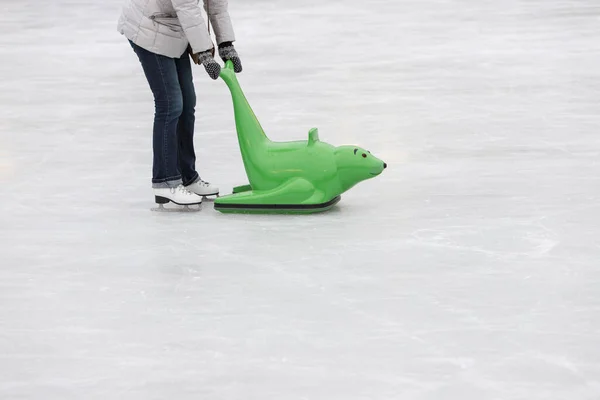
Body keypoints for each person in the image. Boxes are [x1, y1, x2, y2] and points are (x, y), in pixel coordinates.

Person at [117, 0, 242, 205]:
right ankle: (165, 182)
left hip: (175, 28)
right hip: (149, 26)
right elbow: (187, 7)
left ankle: (186, 177)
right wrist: (203, 51)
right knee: (170, 103)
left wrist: (225, 43)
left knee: (187, 102)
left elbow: (216, 5)